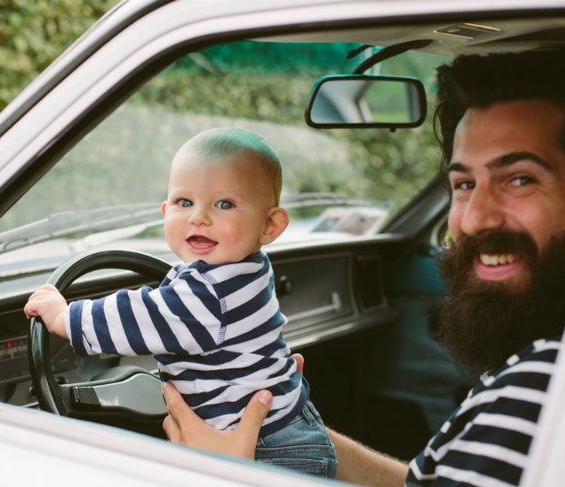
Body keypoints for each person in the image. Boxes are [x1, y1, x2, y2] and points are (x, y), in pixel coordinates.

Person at [161, 46, 565, 486]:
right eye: (464, 184)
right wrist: (285, 433)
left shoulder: (543, 390)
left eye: (520, 179)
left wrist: (228, 476)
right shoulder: (557, 365)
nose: (474, 217)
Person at [24, 127, 337, 478]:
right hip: (287, 426)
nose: (198, 217)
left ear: (269, 225)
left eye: (224, 204)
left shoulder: (210, 295)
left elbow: (144, 316)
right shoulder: (244, 269)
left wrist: (66, 317)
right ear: (164, 210)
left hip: (269, 448)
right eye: (184, 202)